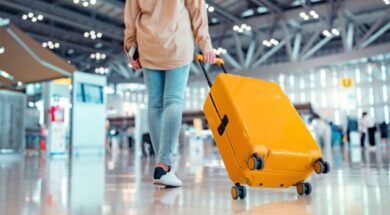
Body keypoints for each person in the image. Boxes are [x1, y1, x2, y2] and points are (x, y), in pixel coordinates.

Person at [124, 0, 215, 187]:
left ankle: (162, 166)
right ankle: (164, 165)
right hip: (177, 42)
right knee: (173, 100)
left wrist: (130, 47)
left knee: (155, 105)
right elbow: (196, 9)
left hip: (148, 45)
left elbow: (131, 15)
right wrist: (205, 43)